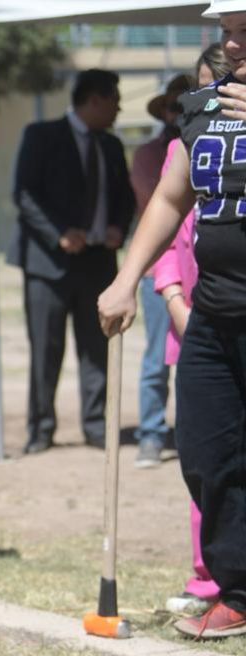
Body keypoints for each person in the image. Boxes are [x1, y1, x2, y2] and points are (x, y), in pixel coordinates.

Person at [97, 0, 246, 640]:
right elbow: (168, 197)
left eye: (245, 34)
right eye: (228, 34)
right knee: (207, 455)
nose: (233, 46)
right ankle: (237, 592)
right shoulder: (201, 109)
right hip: (215, 314)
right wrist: (127, 279)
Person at [9, 69, 137, 455]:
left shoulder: (112, 146)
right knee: (46, 350)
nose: (119, 108)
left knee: (97, 346)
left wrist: (118, 226)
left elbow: (126, 197)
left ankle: (96, 426)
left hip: (99, 262)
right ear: (95, 100)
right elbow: (24, 195)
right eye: (114, 99)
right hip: (48, 264)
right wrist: (60, 232)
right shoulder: (41, 135)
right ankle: (41, 429)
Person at [151, 46, 231, 616]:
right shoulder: (189, 141)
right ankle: (219, 582)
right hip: (202, 319)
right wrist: (171, 295)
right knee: (205, 453)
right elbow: (166, 216)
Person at [130, 74, 192, 469]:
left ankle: (189, 432)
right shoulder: (152, 153)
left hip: (200, 264)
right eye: (173, 107)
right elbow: (160, 203)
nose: (177, 114)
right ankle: (151, 434)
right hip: (160, 269)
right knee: (157, 357)